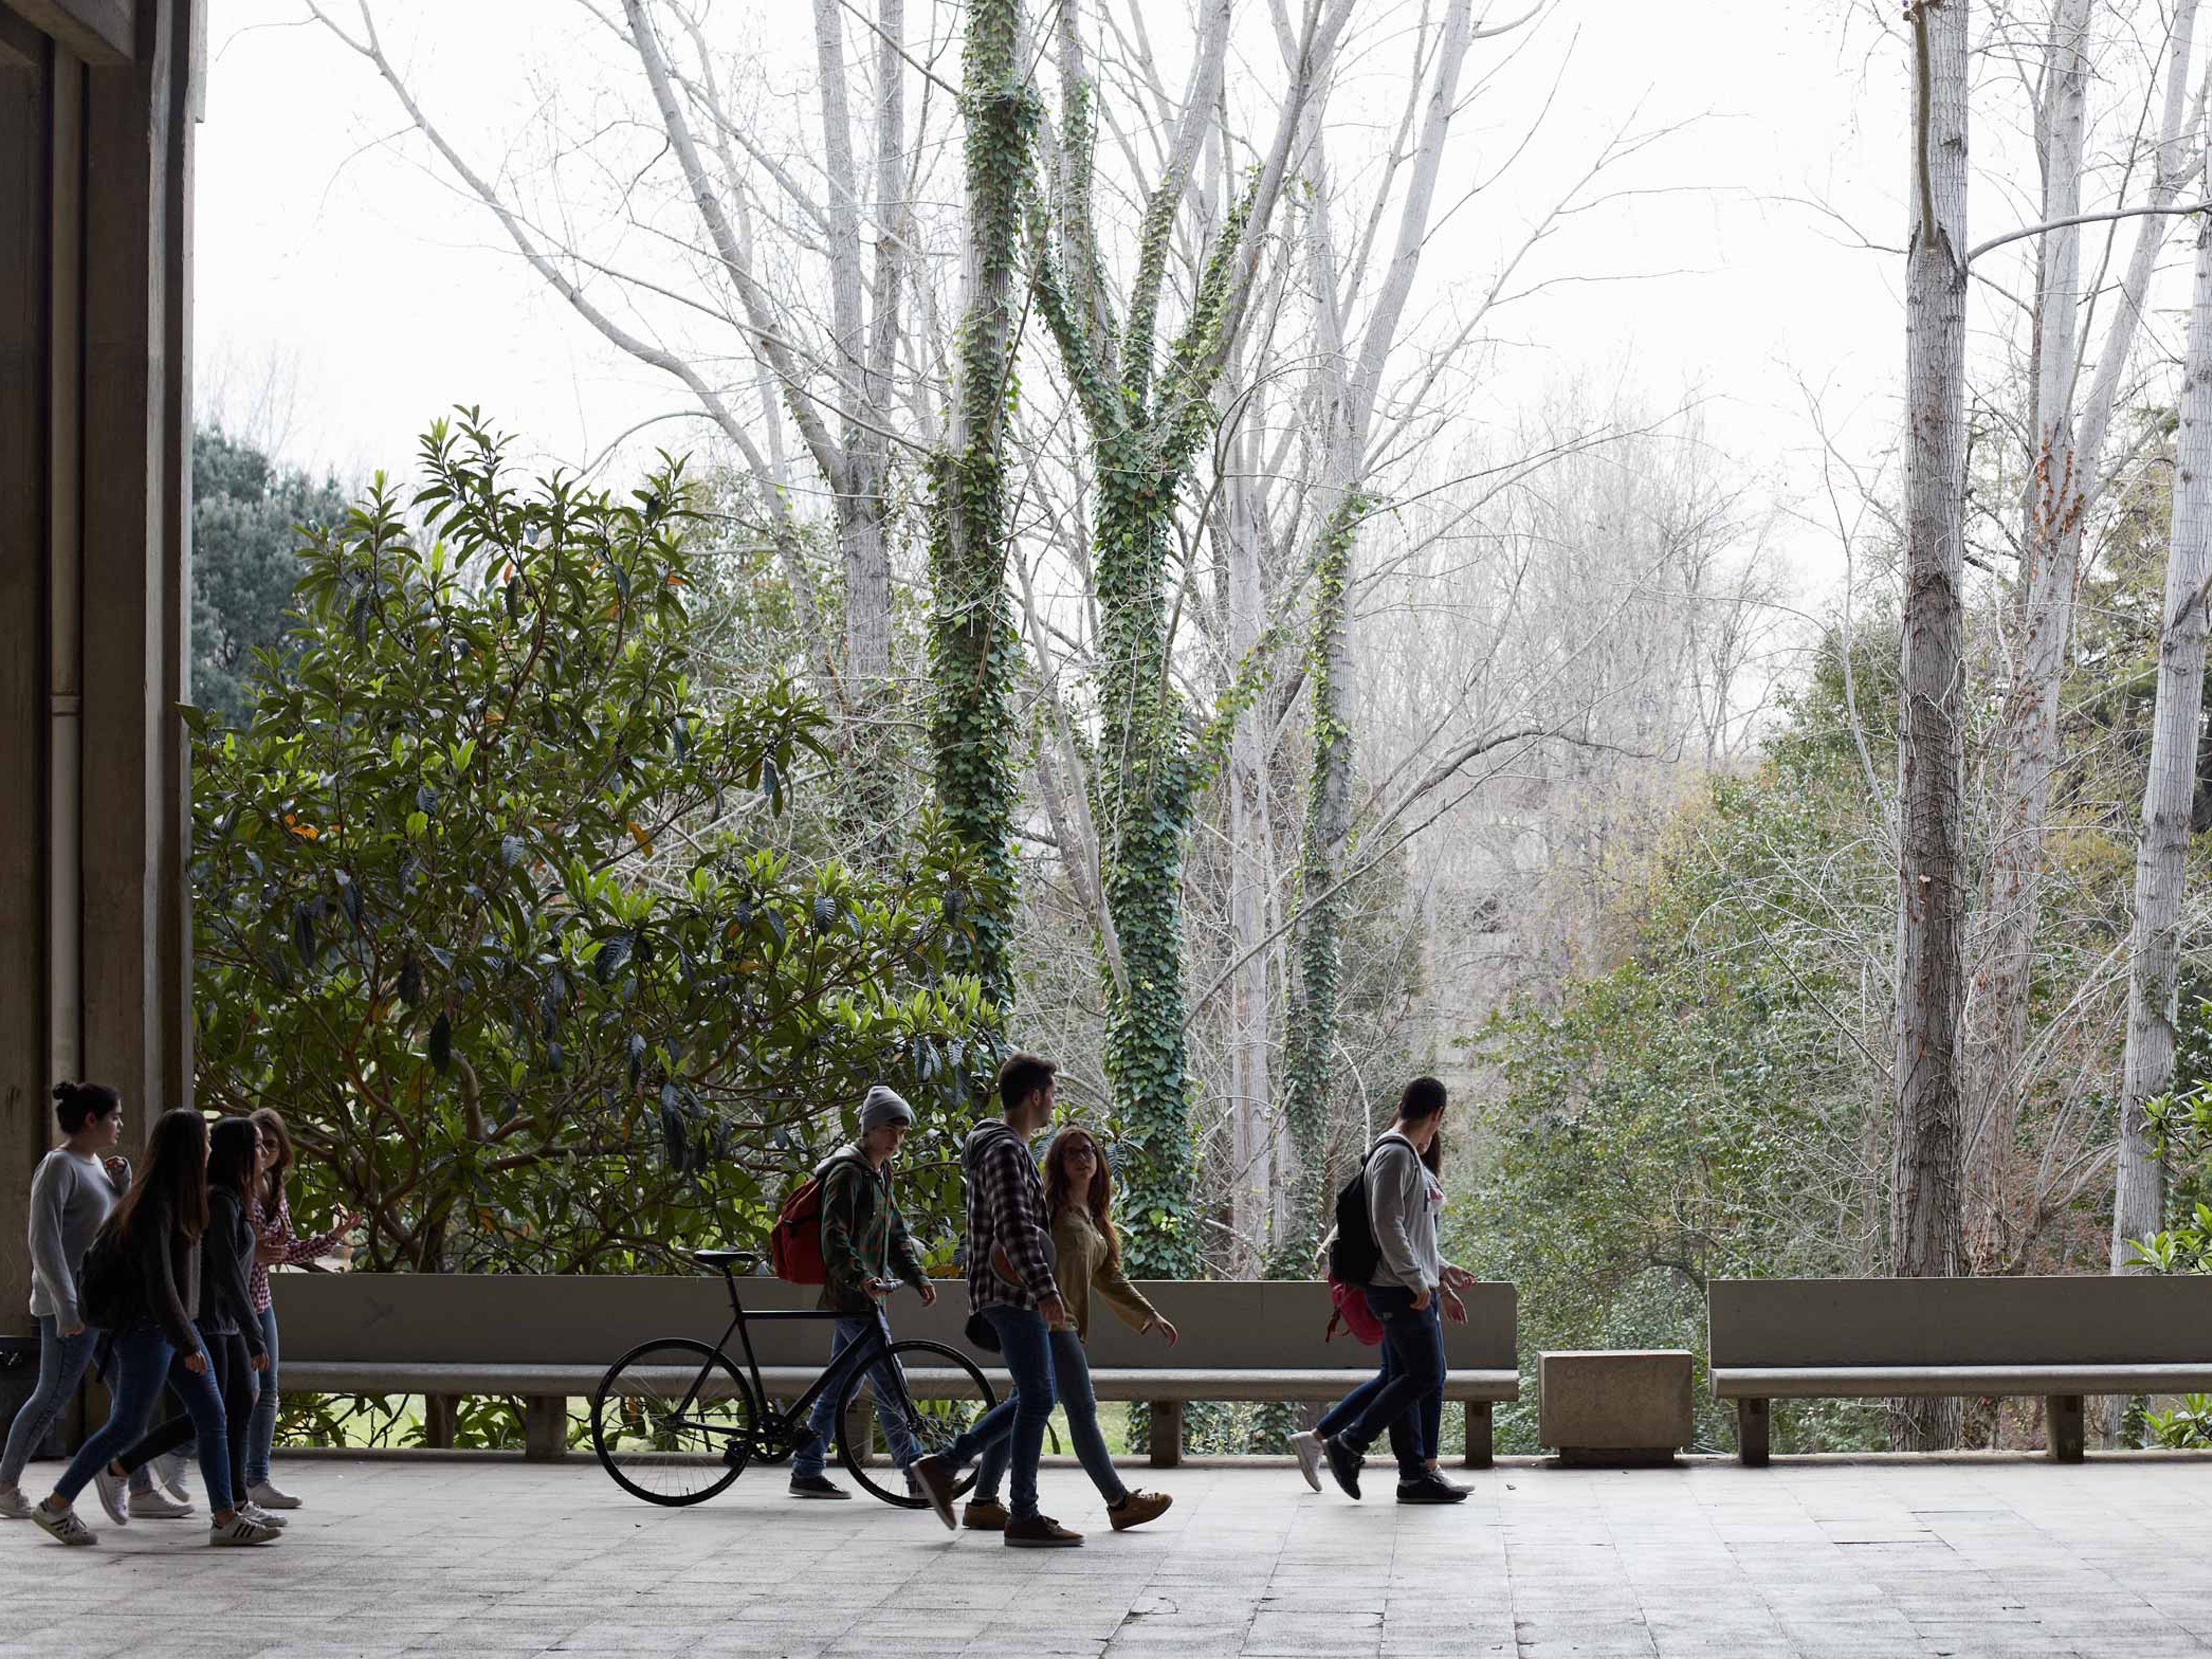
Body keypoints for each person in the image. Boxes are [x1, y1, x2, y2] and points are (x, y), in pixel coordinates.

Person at [29, 1108, 279, 1547]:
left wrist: (185, 1335)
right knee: (127, 1425)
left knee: (212, 1414)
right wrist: (187, 1341)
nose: (208, 1150)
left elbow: (174, 1288)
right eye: (203, 1142)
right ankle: (56, 1505)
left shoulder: (178, 1198)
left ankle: (225, 1517)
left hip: (171, 1327)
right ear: (186, 1148)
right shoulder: (155, 1206)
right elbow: (160, 1284)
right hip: (147, 1330)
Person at [964, 1123, 1176, 1534]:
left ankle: (983, 1501)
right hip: (1050, 1322)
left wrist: (1150, 1314)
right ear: (1058, 1164)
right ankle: (1119, 1502)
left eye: (1089, 1153)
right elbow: (1017, 1249)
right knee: (1082, 1409)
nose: (1083, 1159)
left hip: (1063, 1325)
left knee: (1021, 1408)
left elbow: (1109, 1277)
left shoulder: (1093, 1219)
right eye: (1073, 1153)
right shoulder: (1049, 1211)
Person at [910, 1052, 1078, 1548]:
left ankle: (947, 1469)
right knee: (1039, 1396)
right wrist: (1046, 1291)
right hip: (1013, 1291)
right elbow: (1014, 1229)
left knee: (1034, 1395)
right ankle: (1020, 1512)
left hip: (1008, 1290)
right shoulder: (1005, 1151)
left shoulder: (1003, 1147)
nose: (1054, 1103)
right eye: (1052, 1093)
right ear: (1035, 1096)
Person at [103, 1117, 280, 1532]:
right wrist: (253, 1330)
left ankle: (234, 1501)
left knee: (234, 1407)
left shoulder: (237, 1197)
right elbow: (228, 1273)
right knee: (217, 1411)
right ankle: (124, 1466)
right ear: (237, 1153)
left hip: (227, 1322)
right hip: (212, 1321)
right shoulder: (220, 1200)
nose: (264, 1153)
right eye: (256, 1145)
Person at [1308, 1077, 1474, 1505]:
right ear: (1437, 1115)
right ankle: (1350, 1444)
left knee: (1406, 1377)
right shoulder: (1395, 1155)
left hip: (1406, 1284)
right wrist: (1418, 1280)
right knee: (1426, 1375)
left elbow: (1412, 1232)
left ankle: (1414, 1477)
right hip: (1397, 1289)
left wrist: (1440, 1269)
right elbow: (1387, 1225)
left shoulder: (1405, 1157)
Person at [787, 1085, 938, 1499]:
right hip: (852, 1295)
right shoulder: (848, 1172)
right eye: (890, 1128)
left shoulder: (881, 1172)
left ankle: (807, 1466)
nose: (897, 1137)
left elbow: (896, 1233)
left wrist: (917, 1276)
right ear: (870, 1129)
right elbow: (832, 1236)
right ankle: (917, 1473)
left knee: (841, 1386)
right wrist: (860, 1277)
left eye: (903, 1131)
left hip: (869, 1295)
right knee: (891, 1382)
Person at [0, 1084, 131, 1520]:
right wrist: (66, 1306)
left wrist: (122, 1186)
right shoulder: (58, 1166)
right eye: (114, 1116)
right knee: (52, 1395)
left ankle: (135, 1481)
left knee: (130, 1393)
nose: (120, 1124)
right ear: (91, 1120)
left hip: (101, 1303)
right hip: (72, 1307)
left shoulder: (94, 1165)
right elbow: (44, 1242)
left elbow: (105, 1229)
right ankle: (4, 1486)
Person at [238, 1107, 359, 1510]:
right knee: (238, 1394)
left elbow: (286, 1251)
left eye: (271, 1145)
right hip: (234, 1304)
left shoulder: (275, 1189)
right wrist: (255, 1255)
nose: (264, 1152)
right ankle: (177, 1456)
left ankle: (257, 1478)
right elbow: (223, 1250)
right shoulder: (233, 1189)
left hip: (262, 1302)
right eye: (257, 1144)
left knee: (268, 1391)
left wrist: (334, 1238)